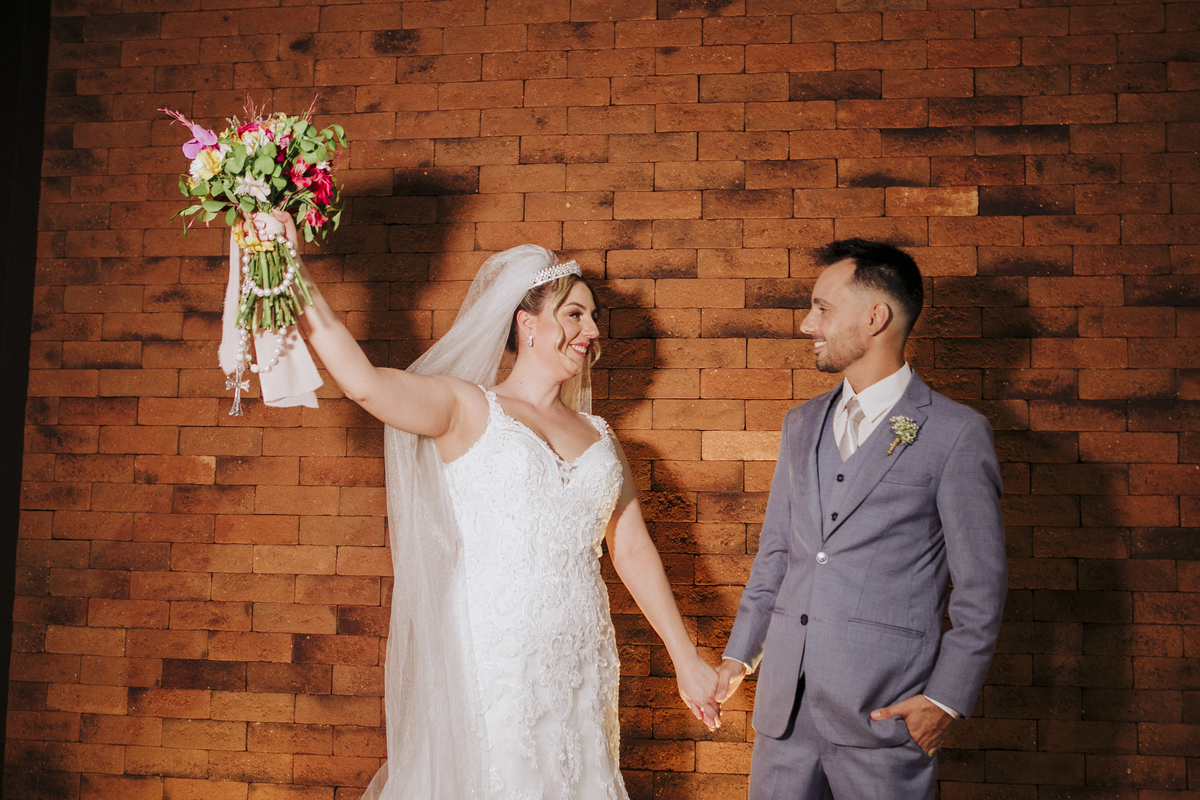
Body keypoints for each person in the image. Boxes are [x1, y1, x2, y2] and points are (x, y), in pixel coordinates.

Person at [250, 212, 720, 799]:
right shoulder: (467, 408)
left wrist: (685, 658)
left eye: (594, 317)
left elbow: (632, 549)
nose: (592, 330)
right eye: (575, 314)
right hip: (494, 653)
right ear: (527, 323)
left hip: (581, 653)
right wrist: (292, 270)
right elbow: (365, 384)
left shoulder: (600, 435)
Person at [714, 239, 1007, 799]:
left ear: (876, 317)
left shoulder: (956, 433)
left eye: (822, 308)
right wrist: (738, 657)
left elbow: (981, 587)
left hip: (883, 716)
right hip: (783, 716)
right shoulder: (801, 424)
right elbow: (777, 554)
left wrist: (945, 699)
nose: (807, 324)